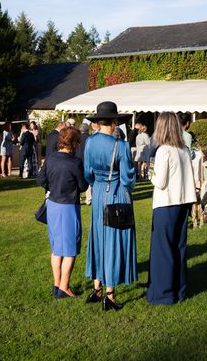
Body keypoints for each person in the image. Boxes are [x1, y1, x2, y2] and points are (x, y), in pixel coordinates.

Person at [83, 101, 136, 311]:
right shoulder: (121, 146)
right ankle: (110, 295)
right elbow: (128, 177)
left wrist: (97, 184)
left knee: (98, 238)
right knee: (113, 241)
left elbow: (87, 172)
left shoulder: (89, 142)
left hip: (97, 194)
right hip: (116, 195)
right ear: (114, 121)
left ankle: (97, 288)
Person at [147, 112, 196, 305]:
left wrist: (150, 172)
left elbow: (159, 182)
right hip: (183, 202)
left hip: (166, 203)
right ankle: (179, 289)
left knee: (163, 249)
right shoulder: (183, 149)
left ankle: (163, 293)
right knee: (178, 247)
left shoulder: (164, 151)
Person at [37, 126, 89, 299]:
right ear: (74, 143)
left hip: (52, 205)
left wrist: (52, 187)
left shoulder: (50, 158)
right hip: (68, 208)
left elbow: (40, 179)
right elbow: (83, 186)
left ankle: (56, 284)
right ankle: (64, 287)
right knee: (70, 249)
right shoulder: (75, 163)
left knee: (57, 248)